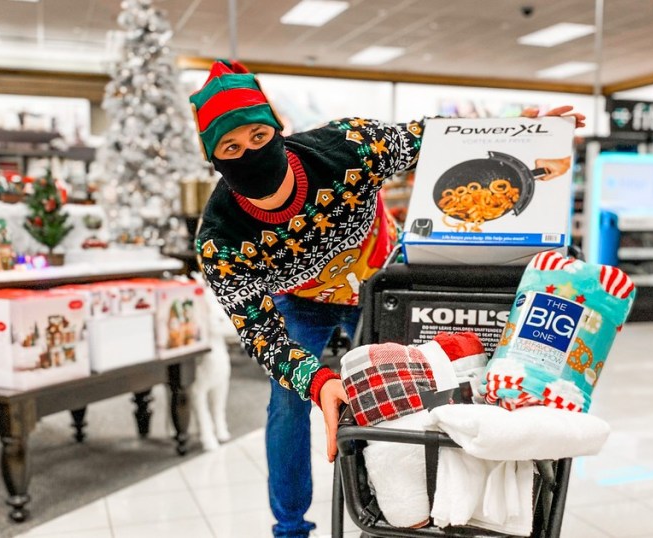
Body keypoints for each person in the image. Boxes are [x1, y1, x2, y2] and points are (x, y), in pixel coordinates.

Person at [189, 59, 586, 538]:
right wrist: (317, 383)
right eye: (230, 147)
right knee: (288, 402)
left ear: (278, 128)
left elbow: (434, 140)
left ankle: (424, 505)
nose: (249, 152)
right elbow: (260, 333)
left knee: (423, 380)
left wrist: (525, 131)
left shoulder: (349, 148)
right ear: (213, 159)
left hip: (384, 280)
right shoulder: (221, 241)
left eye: (257, 136)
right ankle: (290, 528)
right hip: (300, 302)